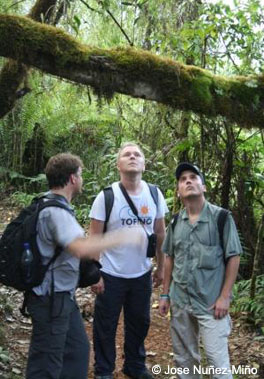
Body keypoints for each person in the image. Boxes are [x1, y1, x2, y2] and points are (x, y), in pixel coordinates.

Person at [26, 152, 141, 379]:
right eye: (80, 174)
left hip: (62, 297)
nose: (82, 179)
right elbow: (81, 248)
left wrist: (92, 275)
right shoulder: (56, 212)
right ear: (72, 179)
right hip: (51, 299)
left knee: (77, 351)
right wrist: (124, 236)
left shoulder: (52, 205)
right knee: (47, 363)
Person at [89, 142, 169, 379]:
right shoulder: (106, 197)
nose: (132, 157)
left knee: (140, 322)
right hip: (111, 273)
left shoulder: (154, 193)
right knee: (105, 325)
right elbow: (95, 236)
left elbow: (160, 233)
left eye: (137, 154)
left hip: (142, 273)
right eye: (127, 154)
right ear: (118, 164)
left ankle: (134, 365)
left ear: (144, 164)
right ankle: (104, 369)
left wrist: (161, 267)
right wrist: (96, 273)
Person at [159, 162, 242, 379]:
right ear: (178, 191)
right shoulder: (176, 221)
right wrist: (165, 294)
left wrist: (225, 297)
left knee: (217, 362)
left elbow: (233, 256)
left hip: (211, 303)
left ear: (203, 187)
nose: (188, 181)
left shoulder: (221, 217)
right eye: (183, 179)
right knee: (184, 361)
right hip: (180, 302)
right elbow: (169, 258)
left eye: (193, 177)